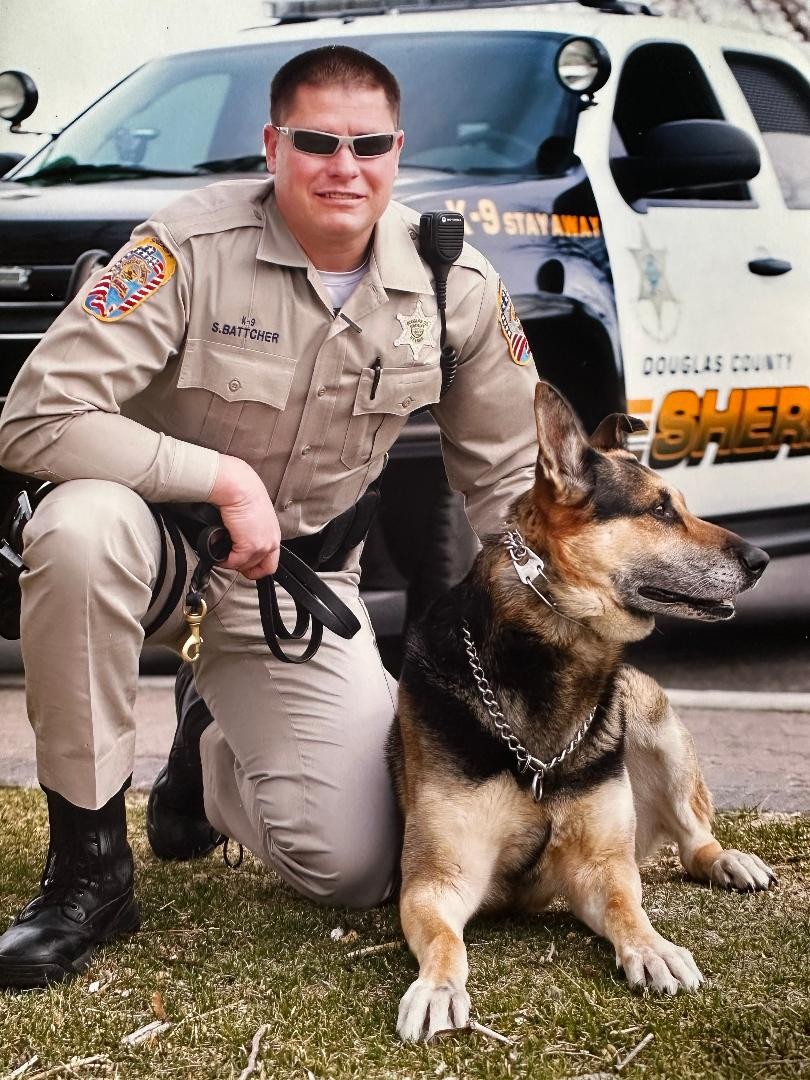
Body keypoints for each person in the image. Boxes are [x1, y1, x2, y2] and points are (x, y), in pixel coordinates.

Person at [0, 45, 539, 988]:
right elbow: (37, 418)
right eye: (317, 141)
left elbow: (508, 478)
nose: (344, 166)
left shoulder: (454, 284)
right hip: (153, 547)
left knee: (360, 867)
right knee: (77, 533)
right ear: (272, 145)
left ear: (398, 150)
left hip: (291, 583)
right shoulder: (183, 248)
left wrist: (543, 623)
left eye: (368, 144)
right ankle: (89, 872)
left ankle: (209, 751)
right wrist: (224, 481)